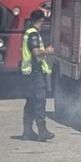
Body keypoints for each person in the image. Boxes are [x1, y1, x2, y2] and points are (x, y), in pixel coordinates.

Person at [21, 10, 55, 141]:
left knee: (30, 101)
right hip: (35, 72)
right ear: (41, 20)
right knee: (40, 99)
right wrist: (48, 51)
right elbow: (36, 52)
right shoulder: (33, 34)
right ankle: (42, 131)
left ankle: (27, 131)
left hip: (28, 73)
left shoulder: (28, 32)